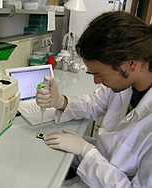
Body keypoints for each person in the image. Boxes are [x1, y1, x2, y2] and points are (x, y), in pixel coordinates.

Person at [36, 11, 152, 187]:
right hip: (97, 170)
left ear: (130, 64)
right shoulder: (125, 83)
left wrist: (87, 152)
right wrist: (60, 101)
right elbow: (95, 103)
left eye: (100, 74)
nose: (96, 81)